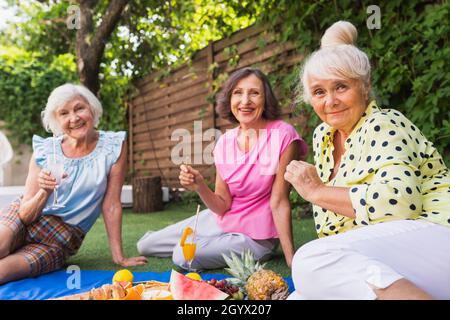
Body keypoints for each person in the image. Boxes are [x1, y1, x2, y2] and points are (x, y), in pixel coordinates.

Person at [284, 21, 450, 300]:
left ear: (365, 86)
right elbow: (337, 231)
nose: (330, 101)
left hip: (437, 236)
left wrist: (316, 191)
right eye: (319, 92)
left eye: (341, 87)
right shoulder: (324, 136)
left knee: (309, 261)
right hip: (394, 262)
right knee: (301, 294)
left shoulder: (384, 122)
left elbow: (400, 203)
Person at [137, 67, 308, 270]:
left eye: (254, 93)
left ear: (266, 99)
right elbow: (222, 205)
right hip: (223, 219)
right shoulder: (224, 142)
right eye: (238, 93)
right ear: (230, 99)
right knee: (146, 245)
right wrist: (200, 185)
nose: (245, 101)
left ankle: (211, 246)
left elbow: (279, 201)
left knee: (183, 255)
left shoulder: (283, 135)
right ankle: (207, 242)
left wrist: (291, 258)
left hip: (256, 236)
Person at [0, 84, 147, 285]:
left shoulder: (113, 146)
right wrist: (45, 191)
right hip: (25, 217)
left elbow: (111, 204)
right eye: (64, 113)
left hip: (60, 239)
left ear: (92, 109)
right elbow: (25, 215)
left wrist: (119, 256)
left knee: (2, 272)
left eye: (79, 108)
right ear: (57, 120)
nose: (74, 118)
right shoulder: (45, 150)